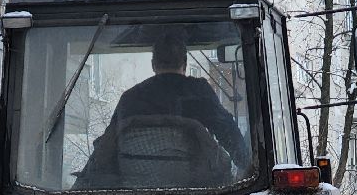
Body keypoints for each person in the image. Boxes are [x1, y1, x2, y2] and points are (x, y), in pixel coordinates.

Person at [104, 31, 252, 173]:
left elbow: (108, 144)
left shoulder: (130, 99)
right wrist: (247, 165)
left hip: (135, 193)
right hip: (201, 191)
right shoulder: (199, 93)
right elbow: (227, 131)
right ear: (185, 63)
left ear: (153, 64)